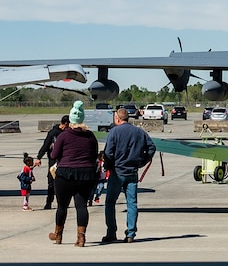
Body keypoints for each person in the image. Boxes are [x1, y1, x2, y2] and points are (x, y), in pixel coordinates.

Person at [100, 106, 157, 244]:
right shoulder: (139, 132)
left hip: (117, 172)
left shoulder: (114, 132)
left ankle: (111, 232)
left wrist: (106, 165)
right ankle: (131, 233)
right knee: (132, 203)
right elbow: (152, 148)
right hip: (132, 171)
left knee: (110, 202)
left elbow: (108, 153)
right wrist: (142, 162)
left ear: (117, 118)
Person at [46, 114, 99, 247]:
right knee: (81, 206)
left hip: (65, 174)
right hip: (85, 174)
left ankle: (58, 235)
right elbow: (94, 154)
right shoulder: (90, 136)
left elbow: (54, 155)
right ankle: (81, 238)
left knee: (62, 207)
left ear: (70, 122)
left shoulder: (63, 135)